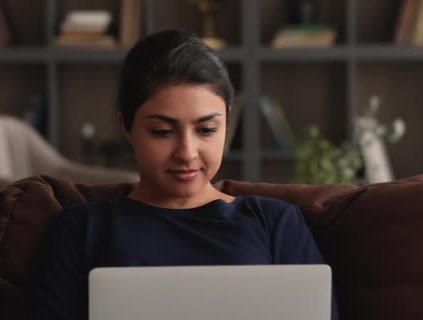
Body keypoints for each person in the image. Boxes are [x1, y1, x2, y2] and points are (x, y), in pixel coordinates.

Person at [28, 29, 339, 320]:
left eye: (206, 130)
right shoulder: (81, 230)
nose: (187, 152)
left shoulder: (275, 223)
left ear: (227, 124)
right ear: (126, 126)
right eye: (163, 131)